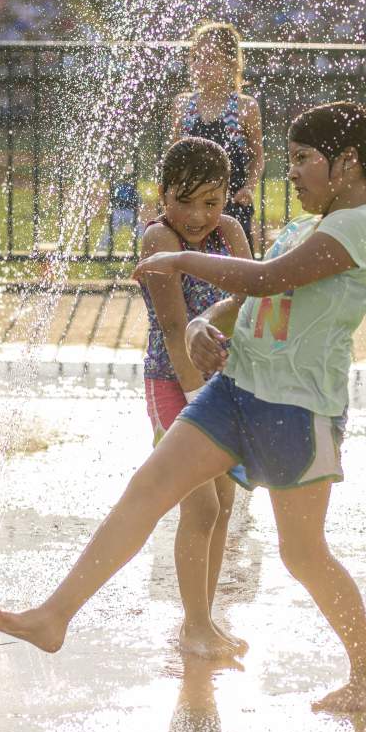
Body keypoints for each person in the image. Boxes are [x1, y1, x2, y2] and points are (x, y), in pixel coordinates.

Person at [0, 102, 366, 714]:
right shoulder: (307, 223)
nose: (289, 173)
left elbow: (268, 278)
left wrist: (182, 259)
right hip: (237, 389)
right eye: (289, 159)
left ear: (346, 163)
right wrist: (201, 325)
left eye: (302, 160)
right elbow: (249, 293)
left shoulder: (360, 228)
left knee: (303, 553)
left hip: (297, 407)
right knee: (148, 486)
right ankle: (55, 616)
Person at [139, 136, 252, 655]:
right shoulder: (158, 241)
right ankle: (195, 625)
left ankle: (201, 621)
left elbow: (249, 301)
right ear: (163, 196)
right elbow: (172, 322)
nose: (198, 215)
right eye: (185, 200)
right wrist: (194, 393)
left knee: (224, 502)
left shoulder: (227, 231)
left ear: (227, 196)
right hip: (174, 382)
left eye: (211, 202)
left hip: (221, 384)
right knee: (200, 506)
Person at [171, 21, 264, 253]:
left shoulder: (244, 107)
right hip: (189, 204)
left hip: (230, 203)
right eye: (196, 58)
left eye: (211, 59)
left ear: (231, 64)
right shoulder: (183, 105)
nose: (201, 66)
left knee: (232, 265)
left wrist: (249, 188)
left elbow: (257, 156)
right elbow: (172, 156)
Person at [99, 164, 143, 252]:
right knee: (111, 229)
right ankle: (102, 250)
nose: (127, 178)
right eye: (126, 176)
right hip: (118, 211)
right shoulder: (119, 187)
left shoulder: (133, 187)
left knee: (140, 230)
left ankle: (145, 248)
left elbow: (138, 201)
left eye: (129, 176)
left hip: (130, 212)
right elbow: (113, 199)